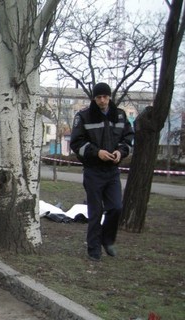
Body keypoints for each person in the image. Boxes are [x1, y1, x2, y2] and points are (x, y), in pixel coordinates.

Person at [70, 82, 134, 262]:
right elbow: (76, 143)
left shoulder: (120, 115)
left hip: (112, 171)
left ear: (109, 97)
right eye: (98, 97)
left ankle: (107, 240)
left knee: (116, 208)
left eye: (105, 97)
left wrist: (120, 152)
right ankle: (93, 249)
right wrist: (96, 152)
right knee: (96, 211)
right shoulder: (84, 116)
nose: (102, 100)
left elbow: (129, 139)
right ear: (94, 98)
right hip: (93, 171)